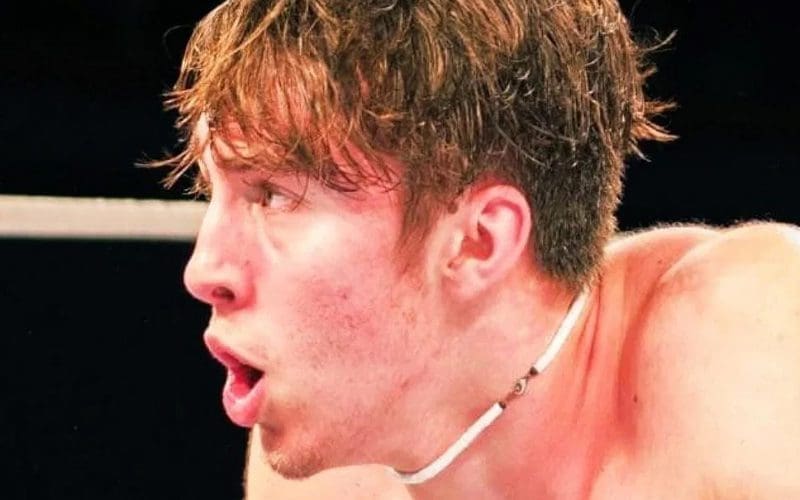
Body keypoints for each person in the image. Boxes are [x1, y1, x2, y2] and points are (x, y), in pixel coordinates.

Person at [159, 0, 800, 497]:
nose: (204, 270)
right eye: (213, 190)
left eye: (273, 195)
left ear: (477, 242)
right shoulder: (328, 468)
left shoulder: (749, 342)